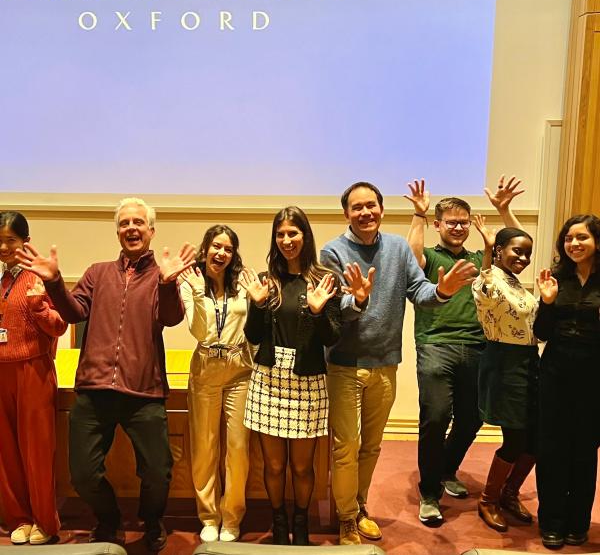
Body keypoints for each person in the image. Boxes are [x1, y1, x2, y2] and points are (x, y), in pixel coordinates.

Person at [16, 198, 195, 552]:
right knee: (81, 473)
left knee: (158, 474)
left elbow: (171, 318)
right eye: (124, 223)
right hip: (94, 389)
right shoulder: (98, 272)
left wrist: (167, 283)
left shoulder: (161, 275)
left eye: (138, 223)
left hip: (144, 392)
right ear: (117, 232)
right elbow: (73, 312)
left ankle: (152, 521)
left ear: (151, 231)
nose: (131, 228)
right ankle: (108, 519)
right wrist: (54, 284)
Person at [320, 182, 478, 545]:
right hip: (344, 364)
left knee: (372, 446)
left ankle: (359, 506)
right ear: (346, 213)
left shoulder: (397, 248)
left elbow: (419, 291)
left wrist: (442, 292)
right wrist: (357, 301)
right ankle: (346, 518)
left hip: (386, 363)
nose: (365, 213)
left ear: (381, 208)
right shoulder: (333, 252)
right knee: (346, 445)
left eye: (371, 205)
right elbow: (332, 310)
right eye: (357, 207)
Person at [240, 206, 370, 546]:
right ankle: (279, 523)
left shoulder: (324, 279)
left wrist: (315, 311)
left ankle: (301, 524)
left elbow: (331, 337)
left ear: (305, 236)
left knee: (301, 467)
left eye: (293, 233)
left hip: (307, 382)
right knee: (272, 466)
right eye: (280, 234)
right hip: (267, 381)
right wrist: (256, 304)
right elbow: (254, 336)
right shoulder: (267, 281)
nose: (286, 240)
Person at [405, 176, 524, 524]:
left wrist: (504, 211)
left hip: (477, 346)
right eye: (451, 222)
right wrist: (418, 215)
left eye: (463, 221)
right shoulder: (429, 255)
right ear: (439, 225)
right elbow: (412, 260)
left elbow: (520, 245)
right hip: (435, 344)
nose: (457, 227)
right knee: (436, 416)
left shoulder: (479, 257)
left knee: (473, 418)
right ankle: (429, 493)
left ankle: (446, 470)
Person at [179, 225, 252, 543]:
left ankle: (232, 517)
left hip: (239, 369)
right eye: (216, 246)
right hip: (206, 366)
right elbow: (197, 331)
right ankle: (209, 516)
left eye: (228, 248)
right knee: (205, 446)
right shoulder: (190, 283)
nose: (221, 253)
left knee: (237, 448)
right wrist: (197, 293)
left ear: (233, 254)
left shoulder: (242, 285)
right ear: (205, 249)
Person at [0, 211, 67, 545]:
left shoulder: (39, 275)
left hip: (33, 371)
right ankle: (18, 517)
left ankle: (44, 520)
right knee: (6, 451)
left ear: (25, 241)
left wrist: (40, 304)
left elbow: (59, 326)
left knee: (38, 450)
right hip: (1, 372)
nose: (3, 247)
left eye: (10, 240)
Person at [534, 214, 600, 549]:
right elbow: (541, 334)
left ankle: (578, 522)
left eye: (582, 238)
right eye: (569, 238)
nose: (573, 244)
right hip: (557, 374)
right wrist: (546, 304)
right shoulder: (555, 279)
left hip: (594, 377)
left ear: (597, 242)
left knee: (585, 452)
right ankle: (552, 522)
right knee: (552, 450)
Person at [471, 217, 538, 532]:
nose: (523, 259)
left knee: (534, 437)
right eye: (516, 251)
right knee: (514, 439)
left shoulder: (513, 281)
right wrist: (486, 251)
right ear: (498, 251)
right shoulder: (490, 280)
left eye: (527, 253)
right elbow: (484, 290)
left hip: (529, 363)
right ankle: (488, 500)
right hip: (505, 363)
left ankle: (509, 493)